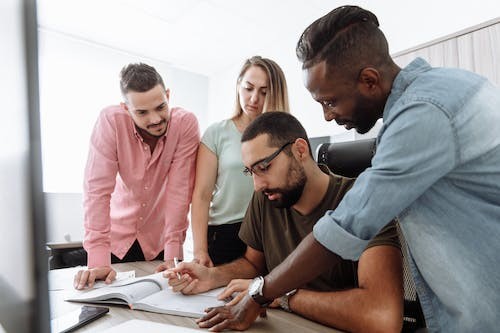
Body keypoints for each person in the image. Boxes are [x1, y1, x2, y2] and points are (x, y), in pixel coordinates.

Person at [195, 5, 500, 332]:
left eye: (330, 101)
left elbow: (349, 223)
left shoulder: (424, 112)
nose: (327, 116)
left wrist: (261, 293)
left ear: (369, 80)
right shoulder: (422, 102)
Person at [167, 112, 404, 332]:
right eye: (251, 172)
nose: (258, 185)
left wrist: (282, 296)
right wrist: (213, 276)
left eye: (264, 167)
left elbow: (382, 317)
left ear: (300, 150)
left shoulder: (363, 201)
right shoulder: (266, 198)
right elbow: (252, 264)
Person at [74, 63, 200, 290]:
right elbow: (97, 192)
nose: (155, 119)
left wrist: (174, 254)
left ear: (168, 95)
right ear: (126, 108)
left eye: (161, 107)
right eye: (142, 112)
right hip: (114, 240)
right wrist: (98, 260)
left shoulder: (185, 124)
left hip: (158, 241)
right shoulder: (111, 121)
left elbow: (179, 191)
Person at [191, 56, 290, 267]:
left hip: (270, 232)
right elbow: (201, 195)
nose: (254, 98)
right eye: (248, 88)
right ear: (238, 86)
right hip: (224, 233)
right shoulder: (217, 133)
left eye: (264, 92)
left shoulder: (286, 138)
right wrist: (200, 250)